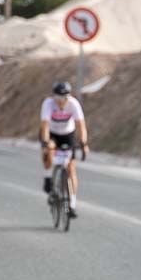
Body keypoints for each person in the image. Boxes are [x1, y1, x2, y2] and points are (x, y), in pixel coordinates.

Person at [40, 81, 89, 218]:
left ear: (68, 97)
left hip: (68, 134)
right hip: (52, 134)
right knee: (48, 150)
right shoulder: (48, 104)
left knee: (71, 168)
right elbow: (44, 126)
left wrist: (84, 143)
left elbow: (81, 126)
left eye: (64, 98)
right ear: (53, 97)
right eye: (58, 98)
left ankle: (71, 205)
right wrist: (46, 143)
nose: (61, 101)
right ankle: (48, 176)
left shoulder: (73, 104)